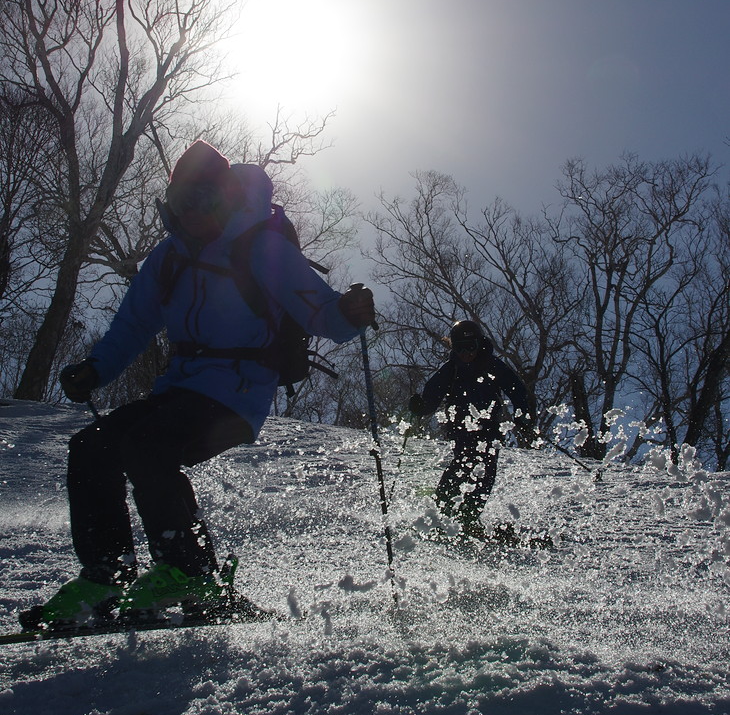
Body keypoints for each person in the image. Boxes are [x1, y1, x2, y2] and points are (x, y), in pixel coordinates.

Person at [23, 140, 375, 629]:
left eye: (205, 198)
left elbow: (320, 311)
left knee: (149, 446)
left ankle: (188, 571)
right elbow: (131, 327)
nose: (193, 212)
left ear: (227, 196)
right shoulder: (167, 260)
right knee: (92, 447)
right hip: (179, 390)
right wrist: (96, 369)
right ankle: (109, 574)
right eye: (182, 201)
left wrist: (349, 313)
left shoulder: (261, 246)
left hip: (238, 392)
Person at [408, 320, 534, 538]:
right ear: (453, 348)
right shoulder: (451, 369)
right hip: (461, 429)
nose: (466, 353)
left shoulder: (493, 365)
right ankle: (441, 514)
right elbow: (433, 394)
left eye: (471, 346)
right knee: (462, 465)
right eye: (460, 348)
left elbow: (517, 389)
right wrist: (421, 406)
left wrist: (524, 415)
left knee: (485, 469)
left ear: (479, 344)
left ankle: (467, 517)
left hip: (488, 429)